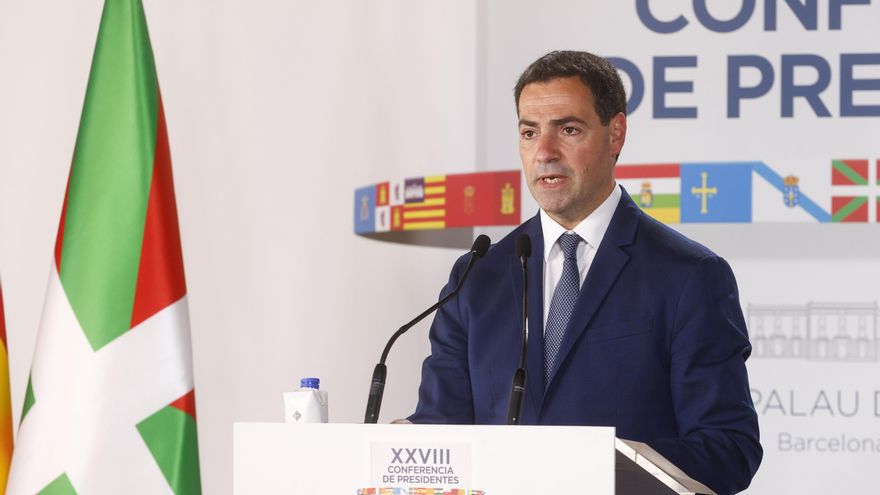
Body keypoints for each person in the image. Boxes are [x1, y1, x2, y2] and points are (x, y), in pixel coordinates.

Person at [408, 51, 762, 495]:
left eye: (568, 130)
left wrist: (588, 463)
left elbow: (728, 450)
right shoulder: (477, 276)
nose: (545, 153)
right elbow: (439, 432)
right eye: (529, 132)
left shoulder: (689, 276)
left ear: (616, 134)